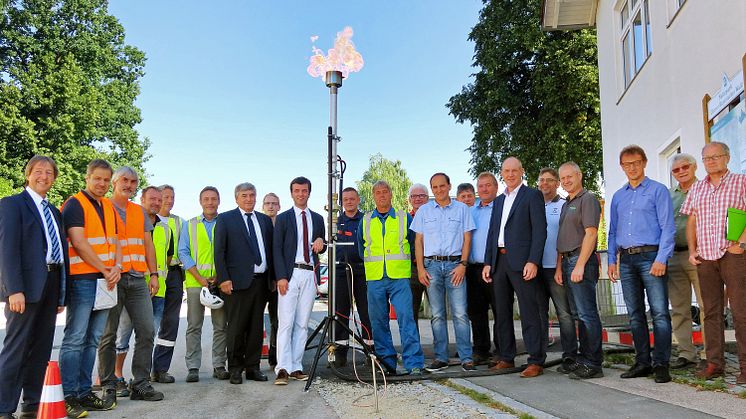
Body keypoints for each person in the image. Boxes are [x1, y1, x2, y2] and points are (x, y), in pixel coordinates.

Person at [0, 156, 68, 419]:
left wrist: (61, 292)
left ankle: (32, 403)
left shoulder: (54, 212)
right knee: (16, 348)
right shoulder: (12, 205)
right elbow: (7, 250)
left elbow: (60, 254)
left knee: (41, 347)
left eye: (50, 172)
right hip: (24, 289)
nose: (44, 176)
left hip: (50, 284)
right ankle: (5, 407)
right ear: (28, 175)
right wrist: (13, 289)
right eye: (38, 171)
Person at [59, 159, 121, 418]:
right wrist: (107, 269)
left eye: (106, 180)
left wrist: (116, 266)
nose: (102, 184)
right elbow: (79, 242)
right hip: (84, 279)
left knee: (93, 339)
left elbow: (116, 240)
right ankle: (69, 395)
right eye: (97, 178)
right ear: (87, 177)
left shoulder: (108, 205)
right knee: (75, 338)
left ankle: (85, 393)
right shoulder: (74, 204)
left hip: (107, 280)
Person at [608, 145, 675, 384]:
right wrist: (611, 261)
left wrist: (661, 258)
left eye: (636, 162)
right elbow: (613, 231)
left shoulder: (658, 191)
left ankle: (661, 364)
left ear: (644, 162)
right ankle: (642, 362)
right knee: (635, 315)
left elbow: (668, 227)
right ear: (622, 167)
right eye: (627, 164)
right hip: (626, 260)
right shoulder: (618, 196)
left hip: (651, 257)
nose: (632, 168)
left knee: (659, 313)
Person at [681, 142, 746, 384]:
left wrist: (741, 243)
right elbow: (692, 220)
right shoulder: (698, 188)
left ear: (727, 158)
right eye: (706, 158)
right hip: (705, 257)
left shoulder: (741, 181)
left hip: (733, 255)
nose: (711, 161)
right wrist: (692, 250)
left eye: (716, 157)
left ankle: (745, 367)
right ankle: (714, 364)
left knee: (741, 311)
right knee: (711, 313)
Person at [98, 167, 165, 402]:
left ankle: (141, 383)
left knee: (147, 330)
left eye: (133, 181)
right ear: (114, 182)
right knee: (108, 334)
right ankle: (108, 385)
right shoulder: (103, 206)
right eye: (124, 180)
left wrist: (154, 274)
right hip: (111, 279)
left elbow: (148, 244)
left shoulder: (139, 212)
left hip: (137, 278)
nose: (129, 184)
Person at [482, 157, 547, 378]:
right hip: (499, 263)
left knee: (529, 311)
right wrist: (488, 262)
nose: (510, 174)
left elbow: (540, 230)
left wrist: (533, 261)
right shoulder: (499, 200)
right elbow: (493, 233)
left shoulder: (532, 196)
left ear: (522, 171)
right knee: (502, 313)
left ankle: (536, 360)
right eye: (506, 171)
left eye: (514, 170)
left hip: (523, 263)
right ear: (502, 173)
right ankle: (506, 357)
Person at [357, 180, 424, 375]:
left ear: (391, 194)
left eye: (385, 191)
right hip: (375, 277)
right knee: (378, 322)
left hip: (399, 277)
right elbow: (361, 248)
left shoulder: (404, 218)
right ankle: (387, 364)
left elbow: (413, 244)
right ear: (374, 196)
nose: (382, 195)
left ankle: (414, 364)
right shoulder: (366, 220)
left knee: (406, 319)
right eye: (378, 192)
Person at [411, 172, 475, 372]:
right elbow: (418, 242)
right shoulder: (424, 211)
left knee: (460, 313)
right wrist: (421, 268)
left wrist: (463, 265)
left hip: (455, 266)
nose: (438, 190)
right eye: (435, 187)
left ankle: (466, 358)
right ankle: (441, 358)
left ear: (449, 186)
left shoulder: (462, 209)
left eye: (442, 186)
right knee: (437, 315)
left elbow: (467, 239)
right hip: (432, 268)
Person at [112, 186, 173, 390]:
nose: (156, 203)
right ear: (142, 199)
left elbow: (168, 256)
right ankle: (116, 375)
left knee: (148, 335)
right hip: (133, 286)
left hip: (157, 290)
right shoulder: (132, 219)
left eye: (159, 200)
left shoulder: (165, 228)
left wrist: (155, 276)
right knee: (123, 334)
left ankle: (141, 380)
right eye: (152, 199)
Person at [214, 183, 274, 384]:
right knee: (237, 328)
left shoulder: (264, 220)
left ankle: (253, 367)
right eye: (244, 195)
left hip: (261, 282)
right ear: (237, 198)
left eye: (252, 195)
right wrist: (223, 279)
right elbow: (219, 251)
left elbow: (270, 251)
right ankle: (235, 369)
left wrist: (272, 278)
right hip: (236, 283)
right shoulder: (225, 219)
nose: (249, 199)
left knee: (256, 328)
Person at [272, 176, 325, 385]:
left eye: (304, 191)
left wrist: (322, 241)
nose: (301, 194)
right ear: (291, 193)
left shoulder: (318, 219)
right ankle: (282, 368)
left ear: (309, 193)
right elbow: (276, 248)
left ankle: (296, 366)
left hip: (309, 274)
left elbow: (322, 246)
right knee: (286, 322)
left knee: (302, 324)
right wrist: (281, 277)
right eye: (297, 190)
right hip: (290, 274)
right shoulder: (283, 218)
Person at [556, 162, 604, 379]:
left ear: (579, 175)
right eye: (562, 178)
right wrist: (560, 266)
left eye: (569, 176)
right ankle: (583, 359)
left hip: (579, 260)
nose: (566, 181)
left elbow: (591, 233)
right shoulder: (567, 203)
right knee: (578, 315)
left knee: (587, 314)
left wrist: (580, 265)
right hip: (567, 262)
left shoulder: (588, 199)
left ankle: (594, 363)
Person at [178, 186, 230, 383]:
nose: (210, 202)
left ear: (219, 201)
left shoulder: (225, 223)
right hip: (195, 283)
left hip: (219, 282)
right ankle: (193, 367)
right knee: (194, 326)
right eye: (206, 199)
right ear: (200, 202)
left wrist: (219, 275)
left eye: (213, 199)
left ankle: (219, 365)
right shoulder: (189, 225)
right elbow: (183, 252)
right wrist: (201, 279)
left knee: (220, 326)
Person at [668, 154, 706, 369]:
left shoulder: (705, 189)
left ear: (694, 167)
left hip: (700, 256)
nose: (681, 171)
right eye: (676, 170)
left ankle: (710, 354)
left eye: (685, 167)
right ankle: (686, 353)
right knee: (679, 308)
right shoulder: (668, 195)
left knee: (706, 306)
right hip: (674, 255)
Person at [537, 168, 577, 372]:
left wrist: (560, 265)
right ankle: (539, 356)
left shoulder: (563, 206)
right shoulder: (532, 205)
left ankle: (570, 355)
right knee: (538, 314)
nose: (544, 184)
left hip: (556, 268)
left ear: (557, 184)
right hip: (536, 268)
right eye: (541, 180)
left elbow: (565, 238)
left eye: (549, 180)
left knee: (564, 313)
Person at [333, 187, 372, 367]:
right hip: (341, 272)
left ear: (358, 200)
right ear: (342, 202)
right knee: (342, 313)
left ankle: (370, 352)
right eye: (346, 199)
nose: (349, 202)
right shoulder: (335, 221)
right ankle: (340, 354)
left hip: (362, 271)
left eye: (352, 199)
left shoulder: (367, 220)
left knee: (366, 312)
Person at [152, 185, 185, 381]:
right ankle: (142, 372)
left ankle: (161, 369)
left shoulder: (179, 222)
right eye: (165, 197)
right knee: (149, 325)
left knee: (170, 324)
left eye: (172, 197)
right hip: (150, 276)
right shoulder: (147, 220)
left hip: (173, 275)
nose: (169, 200)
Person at [466, 172, 499, 365]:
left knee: (499, 310)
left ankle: (501, 350)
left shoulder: (501, 208)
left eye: (488, 185)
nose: (484, 189)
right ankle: (480, 350)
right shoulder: (472, 211)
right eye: (481, 186)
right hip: (473, 268)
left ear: (495, 187)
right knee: (476, 312)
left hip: (495, 267)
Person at [262, 192, 281, 368]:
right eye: (267, 203)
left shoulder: (283, 225)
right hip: (260, 281)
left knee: (277, 320)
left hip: (278, 282)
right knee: (253, 320)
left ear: (279, 206)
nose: (271, 206)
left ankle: (275, 356)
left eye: (274, 203)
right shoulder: (258, 224)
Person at [407, 184, 429, 330]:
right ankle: (414, 350)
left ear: (427, 198)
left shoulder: (435, 216)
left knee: (439, 312)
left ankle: (440, 349)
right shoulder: (405, 219)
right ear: (409, 199)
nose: (418, 199)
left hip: (431, 266)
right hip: (412, 270)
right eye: (414, 196)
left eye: (421, 195)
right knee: (411, 311)